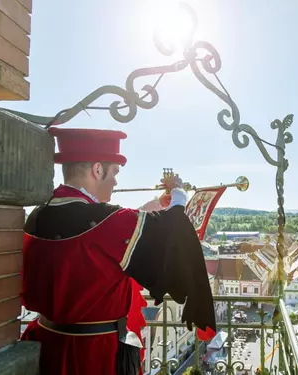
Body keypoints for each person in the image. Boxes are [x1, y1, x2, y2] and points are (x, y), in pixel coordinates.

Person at [21, 127, 216, 375]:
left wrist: (157, 205)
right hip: (92, 355)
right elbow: (170, 233)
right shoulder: (106, 221)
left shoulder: (38, 214)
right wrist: (179, 195)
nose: (115, 181)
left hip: (43, 344)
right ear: (97, 169)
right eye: (114, 172)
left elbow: (109, 233)